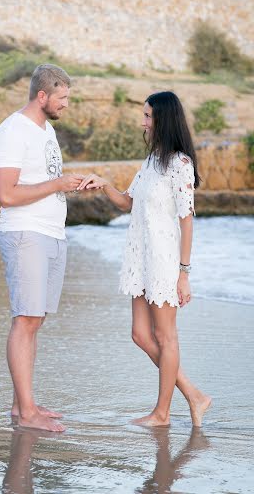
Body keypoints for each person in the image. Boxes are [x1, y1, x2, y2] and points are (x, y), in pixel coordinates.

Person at [77, 91, 212, 427]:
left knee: (166, 337)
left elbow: (187, 220)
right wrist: (105, 184)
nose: (143, 121)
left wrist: (184, 273)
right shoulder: (151, 162)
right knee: (140, 334)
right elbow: (127, 202)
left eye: (148, 116)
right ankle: (195, 395)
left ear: (163, 119)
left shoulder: (180, 165)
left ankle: (162, 414)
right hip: (141, 258)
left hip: (166, 260)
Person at [0, 64, 84, 433]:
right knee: (25, 319)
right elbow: (6, 194)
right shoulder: (13, 131)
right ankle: (26, 411)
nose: (66, 105)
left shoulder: (46, 131)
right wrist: (57, 183)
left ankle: (22, 404)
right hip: (25, 234)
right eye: (62, 98)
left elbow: (43, 181)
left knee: (35, 320)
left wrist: (69, 184)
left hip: (51, 233)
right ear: (42, 96)